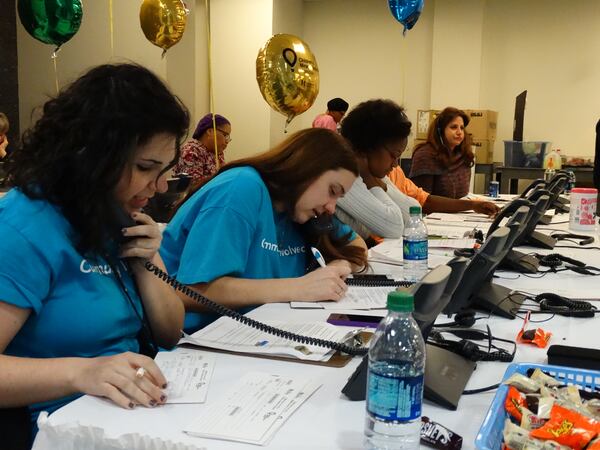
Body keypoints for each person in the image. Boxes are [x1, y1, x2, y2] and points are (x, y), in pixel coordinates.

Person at [0, 63, 188, 442]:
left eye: (164, 169)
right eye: (145, 167)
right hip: (58, 429)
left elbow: (169, 333)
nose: (161, 185)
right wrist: (83, 371)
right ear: (91, 156)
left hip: (129, 418)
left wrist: (148, 261)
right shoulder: (25, 225)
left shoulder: (108, 212)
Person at [160, 128, 368, 332]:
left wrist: (340, 265)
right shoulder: (241, 189)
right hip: (195, 341)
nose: (331, 207)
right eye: (332, 191)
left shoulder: (298, 211)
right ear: (306, 168)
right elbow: (190, 291)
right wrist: (299, 287)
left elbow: (357, 244)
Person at [337, 100, 499, 240]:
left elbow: (412, 216)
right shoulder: (344, 175)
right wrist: (371, 180)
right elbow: (393, 227)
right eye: (393, 155)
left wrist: (377, 182)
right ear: (367, 147)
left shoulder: (371, 171)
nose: (395, 164)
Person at [409, 107, 473, 198]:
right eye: (454, 127)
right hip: (433, 211)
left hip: (462, 210)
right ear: (440, 131)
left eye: (462, 128)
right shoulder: (425, 155)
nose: (459, 132)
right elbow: (422, 199)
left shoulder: (464, 155)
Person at [173, 113, 231, 186]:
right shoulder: (191, 150)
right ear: (210, 131)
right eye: (225, 135)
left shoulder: (217, 153)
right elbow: (195, 186)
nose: (227, 141)